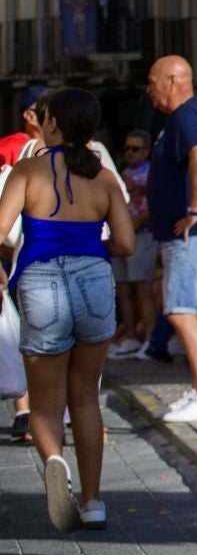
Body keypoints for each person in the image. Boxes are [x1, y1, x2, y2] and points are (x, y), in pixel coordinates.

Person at [0, 89, 134, 530]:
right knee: (85, 396)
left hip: (40, 280)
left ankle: (55, 460)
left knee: (45, 401)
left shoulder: (28, 170)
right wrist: (91, 246)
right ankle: (94, 502)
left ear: (51, 124)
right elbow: (127, 243)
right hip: (94, 277)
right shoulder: (104, 178)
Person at [145, 57, 197, 423]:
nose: (149, 89)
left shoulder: (186, 115)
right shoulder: (182, 117)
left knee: (180, 308)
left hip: (194, 232)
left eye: (152, 82)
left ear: (174, 80)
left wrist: (194, 209)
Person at [108, 129, 156, 357]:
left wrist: (132, 225)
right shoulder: (123, 173)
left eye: (135, 149)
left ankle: (150, 338)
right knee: (124, 290)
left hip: (143, 235)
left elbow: (154, 206)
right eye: (127, 148)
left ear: (146, 151)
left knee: (142, 290)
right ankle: (130, 336)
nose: (130, 152)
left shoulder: (153, 174)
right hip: (123, 236)